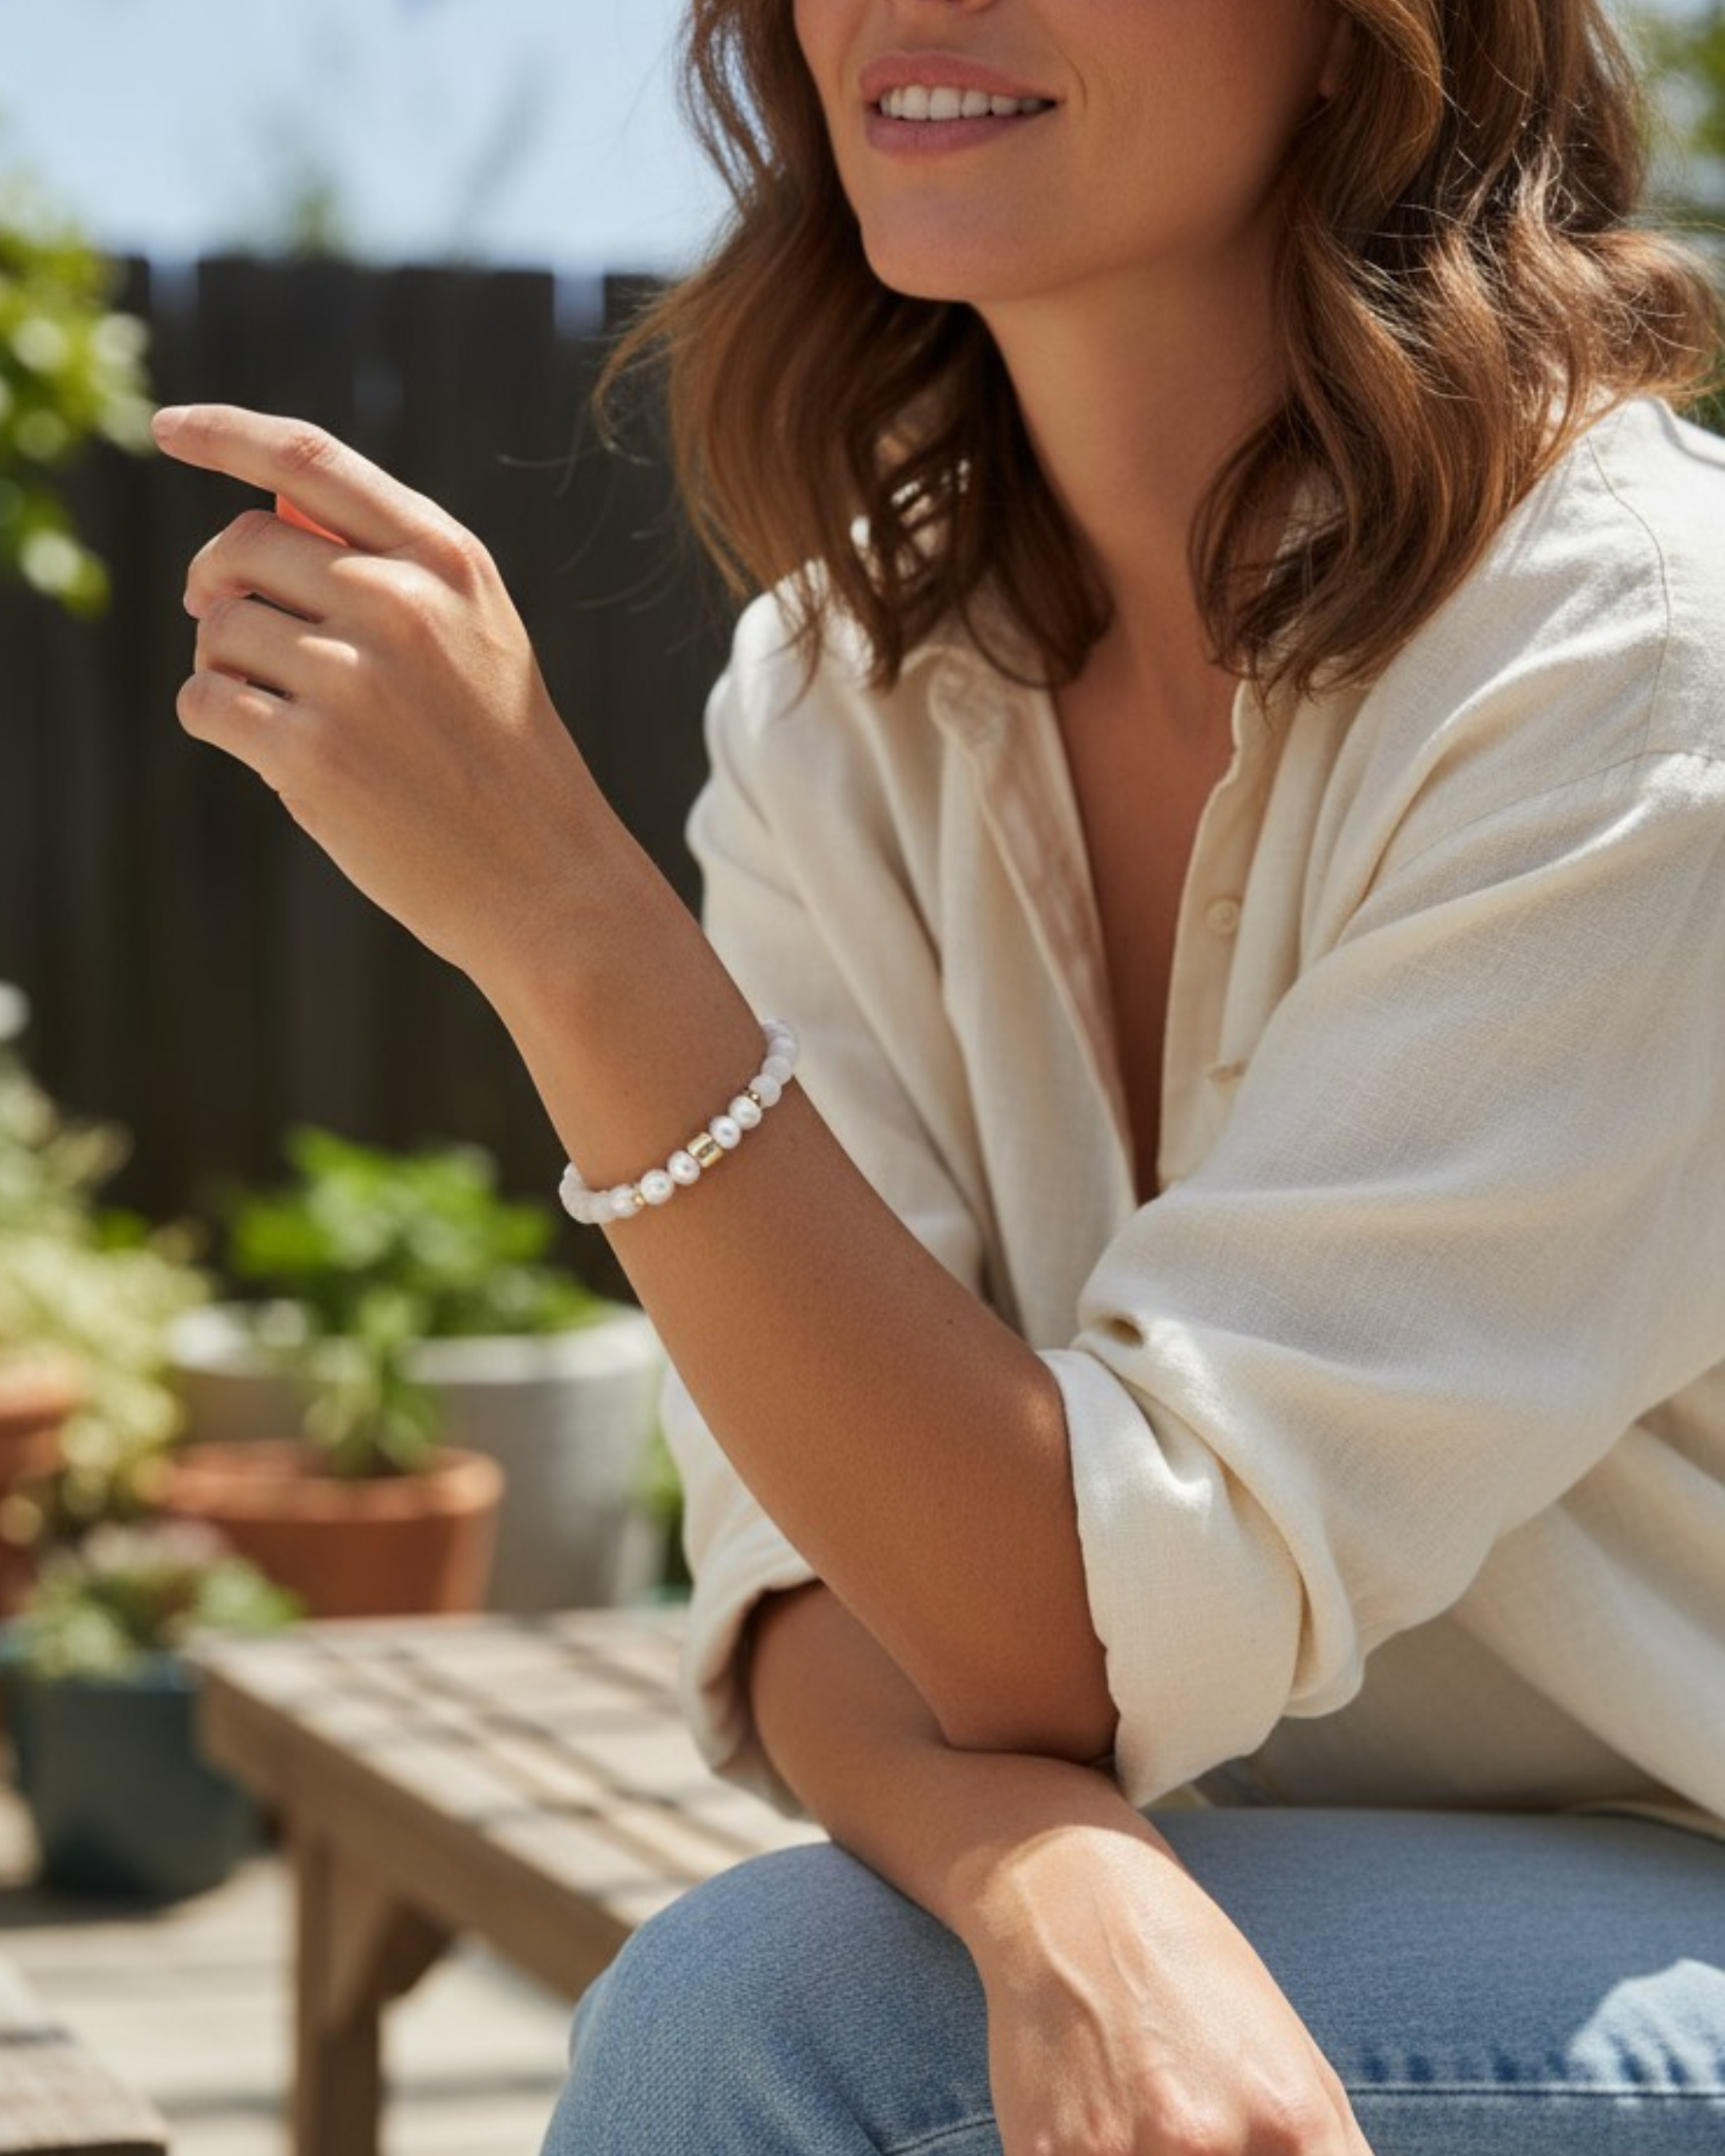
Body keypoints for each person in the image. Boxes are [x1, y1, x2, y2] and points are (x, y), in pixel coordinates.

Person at [152, 0, 1725, 2148]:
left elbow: (1044, 1632)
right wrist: (1045, 1873)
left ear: (1369, 35)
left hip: (1684, 1888)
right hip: (1248, 1852)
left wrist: (562, 922)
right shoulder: (842, 696)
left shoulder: (1638, 664)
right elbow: (810, 1564)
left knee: (780, 2035)